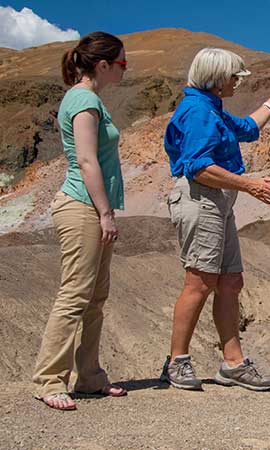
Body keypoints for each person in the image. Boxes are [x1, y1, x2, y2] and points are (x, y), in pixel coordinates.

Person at [162, 48, 270, 391]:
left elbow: (248, 128)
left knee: (230, 281)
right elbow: (198, 166)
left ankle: (233, 363)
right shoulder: (197, 111)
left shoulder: (212, 109)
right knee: (199, 281)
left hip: (218, 202)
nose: (238, 83)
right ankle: (176, 362)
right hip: (200, 198)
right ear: (216, 76)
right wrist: (250, 185)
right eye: (234, 77)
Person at [32, 31, 129, 411]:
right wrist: (105, 213)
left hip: (92, 207)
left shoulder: (90, 99)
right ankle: (49, 379)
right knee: (75, 294)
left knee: (95, 297)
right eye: (122, 63)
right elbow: (87, 161)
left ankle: (89, 376)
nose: (126, 69)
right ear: (103, 65)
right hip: (82, 206)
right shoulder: (84, 100)